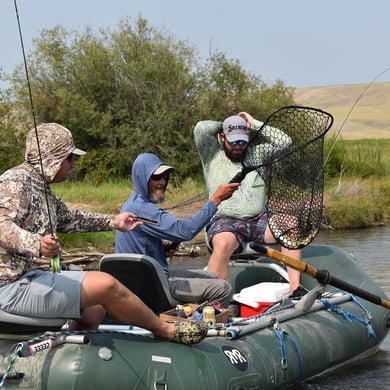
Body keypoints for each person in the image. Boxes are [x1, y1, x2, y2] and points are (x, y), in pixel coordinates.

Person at [0, 123, 208, 345]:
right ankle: (166, 331)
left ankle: (70, 356)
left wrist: (115, 221)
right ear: (53, 157)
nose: (73, 164)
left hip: (34, 277)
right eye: (70, 158)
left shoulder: (41, 188)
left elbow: (72, 219)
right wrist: (37, 244)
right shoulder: (16, 182)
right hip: (11, 285)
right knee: (105, 284)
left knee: (94, 310)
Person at [193, 112, 306, 298]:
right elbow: (201, 128)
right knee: (222, 244)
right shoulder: (211, 154)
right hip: (225, 223)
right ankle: (214, 300)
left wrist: (251, 123)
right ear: (222, 137)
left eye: (242, 141)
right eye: (234, 142)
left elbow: (285, 141)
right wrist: (230, 124)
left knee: (291, 223)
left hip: (258, 221)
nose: (238, 147)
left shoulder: (258, 154)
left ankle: (295, 288)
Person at [115, 152, 240, 308]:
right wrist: (216, 199)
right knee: (223, 289)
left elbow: (140, 245)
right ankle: (196, 325)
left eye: (165, 176)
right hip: (151, 286)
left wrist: (161, 250)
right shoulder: (142, 209)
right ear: (141, 178)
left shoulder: (132, 203)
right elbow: (185, 231)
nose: (162, 181)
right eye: (156, 177)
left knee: (213, 277)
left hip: (147, 277)